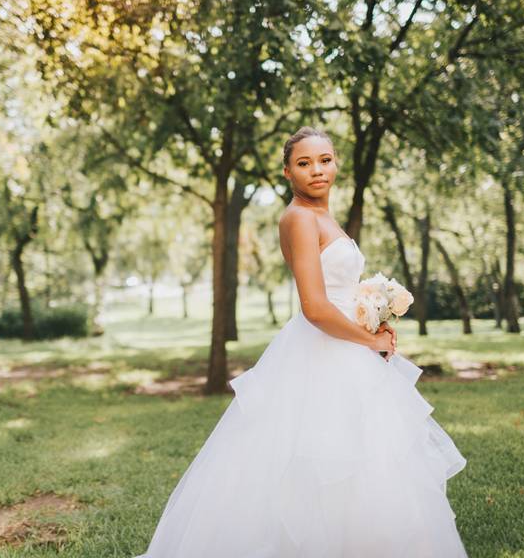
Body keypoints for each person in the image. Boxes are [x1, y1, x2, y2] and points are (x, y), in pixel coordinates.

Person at [135, 126, 469, 557]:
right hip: (320, 352)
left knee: (371, 468)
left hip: (347, 350)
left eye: (325, 160)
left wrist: (373, 318)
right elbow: (314, 306)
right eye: (304, 163)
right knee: (318, 466)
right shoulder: (297, 218)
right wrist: (371, 341)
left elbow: (338, 293)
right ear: (287, 171)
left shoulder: (326, 217)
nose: (317, 170)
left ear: (336, 163)